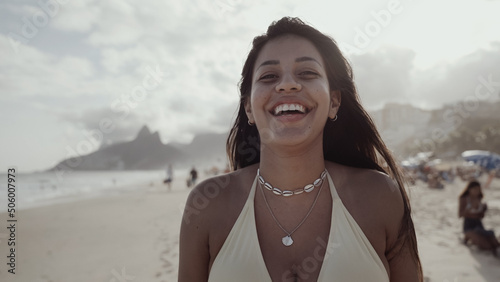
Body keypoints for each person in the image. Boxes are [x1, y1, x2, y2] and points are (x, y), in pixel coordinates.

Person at [179, 17, 422, 281]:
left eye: (307, 73)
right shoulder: (208, 205)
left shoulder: (380, 196)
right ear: (248, 106)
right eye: (269, 76)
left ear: (334, 102)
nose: (287, 85)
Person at [459, 180, 499, 256]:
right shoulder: (464, 198)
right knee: (487, 246)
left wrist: (483, 210)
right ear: (469, 189)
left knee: (495, 243)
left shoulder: (479, 198)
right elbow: (460, 214)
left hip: (479, 225)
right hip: (468, 226)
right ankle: (467, 237)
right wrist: (469, 210)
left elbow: (481, 216)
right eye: (474, 189)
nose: (476, 191)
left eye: (478, 189)